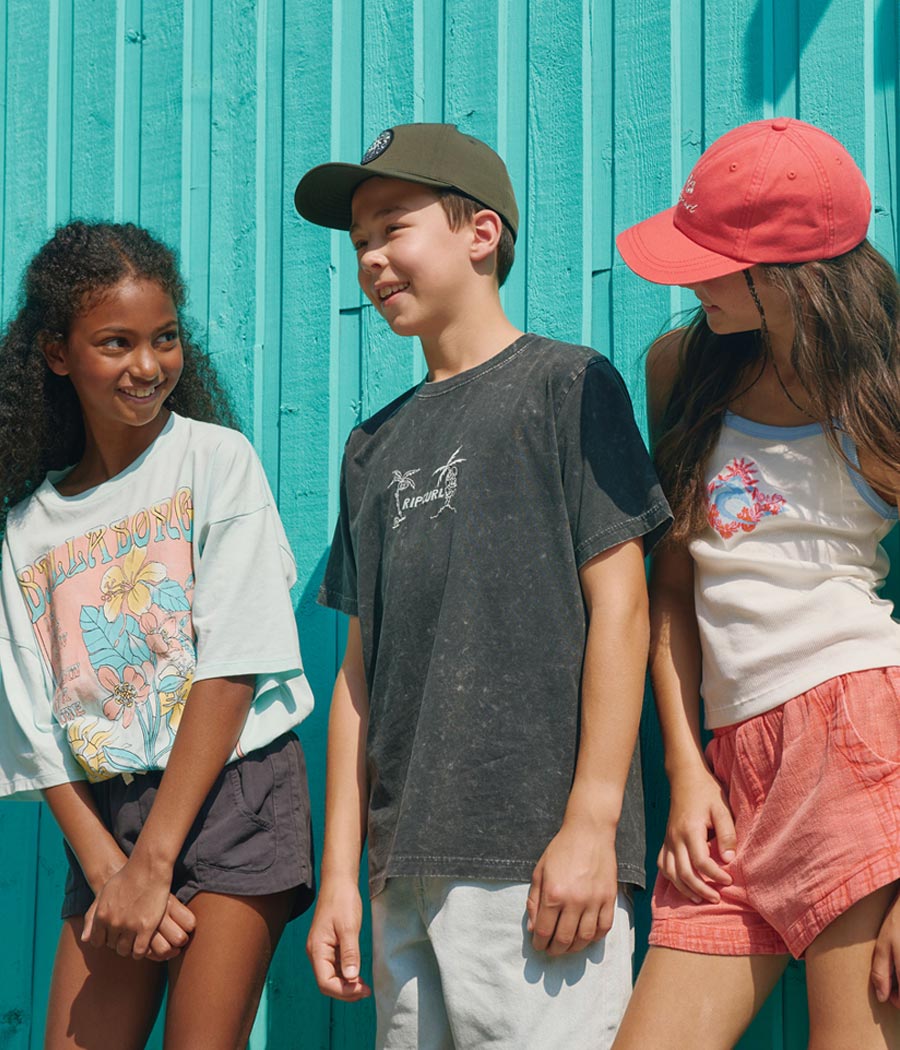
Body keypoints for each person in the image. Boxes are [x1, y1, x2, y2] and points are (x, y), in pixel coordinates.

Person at [294, 122, 671, 1048]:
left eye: (393, 227)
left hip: (536, 861)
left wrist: (592, 822)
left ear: (482, 233)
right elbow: (357, 678)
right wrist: (341, 872)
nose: (371, 258)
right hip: (403, 867)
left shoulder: (567, 386)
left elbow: (623, 607)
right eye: (359, 242)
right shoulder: (370, 446)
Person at [612, 117, 900, 1049]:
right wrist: (685, 765)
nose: (689, 281)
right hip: (730, 765)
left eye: (711, 262)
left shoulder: (883, 391)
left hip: (855, 733)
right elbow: (672, 582)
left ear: (786, 275)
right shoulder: (682, 368)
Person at [0, 221, 315, 1050]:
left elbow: (235, 662)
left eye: (165, 338)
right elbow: (33, 724)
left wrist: (154, 861)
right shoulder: (28, 530)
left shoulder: (216, 462)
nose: (147, 365)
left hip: (233, 787)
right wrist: (113, 868)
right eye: (117, 342)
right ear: (57, 354)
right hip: (108, 819)